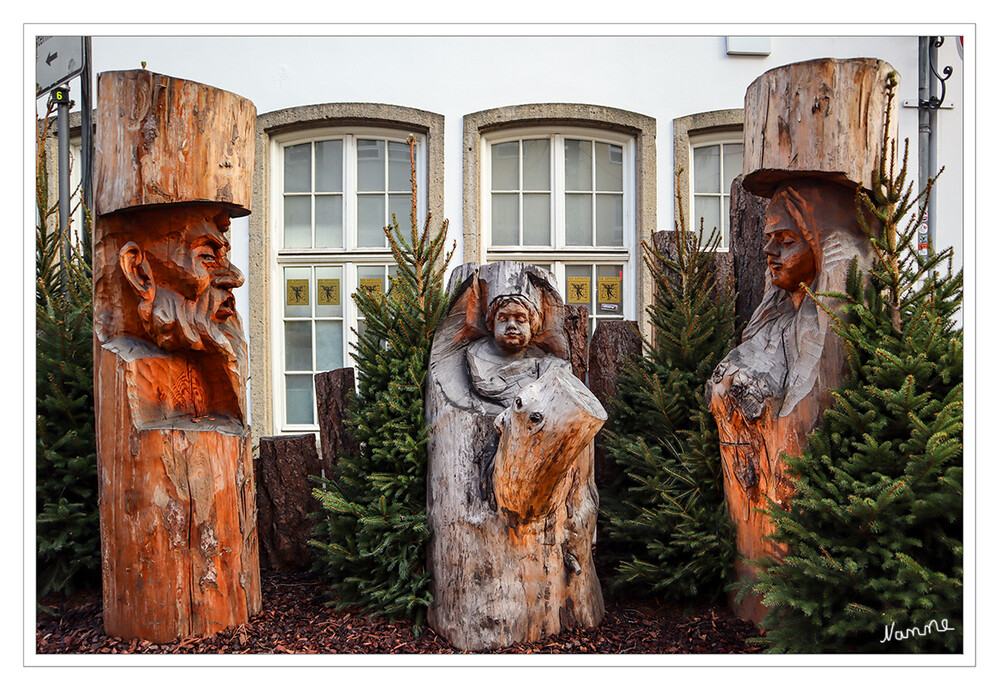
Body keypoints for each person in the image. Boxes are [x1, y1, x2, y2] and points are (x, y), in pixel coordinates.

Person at [95, 205, 247, 428]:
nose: (235, 277)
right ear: (138, 272)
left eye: (224, 257)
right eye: (206, 256)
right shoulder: (131, 368)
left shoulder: (210, 361)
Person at [465, 293, 567, 408]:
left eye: (520, 319)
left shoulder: (545, 364)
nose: (511, 325)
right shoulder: (475, 356)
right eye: (503, 319)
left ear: (531, 325)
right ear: (491, 324)